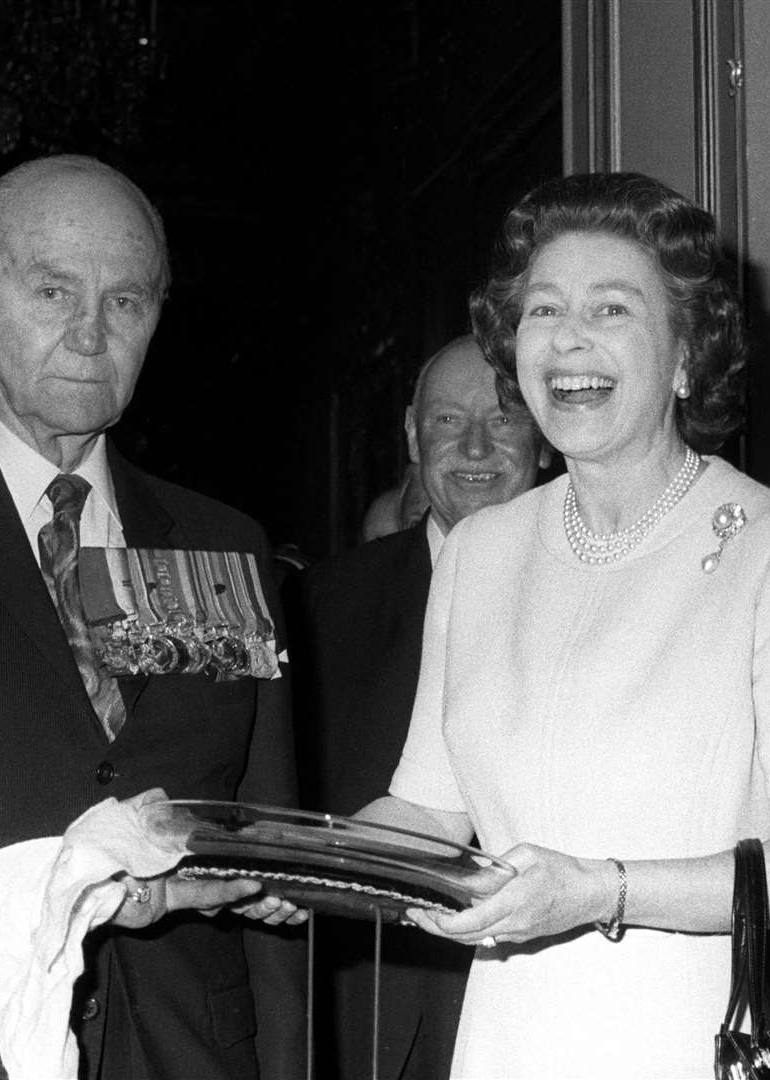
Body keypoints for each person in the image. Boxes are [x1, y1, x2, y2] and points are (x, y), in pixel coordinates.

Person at [346, 172, 770, 1078]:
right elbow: (428, 811)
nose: (567, 339)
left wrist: (598, 892)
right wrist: (278, 860)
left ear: (684, 357)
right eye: (543, 309)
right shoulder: (479, 553)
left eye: (611, 309)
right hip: (513, 1041)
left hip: (701, 1039)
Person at [0, 154, 305, 1079]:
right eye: (52, 291)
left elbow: (268, 846)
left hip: (192, 1052)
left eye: (126, 302)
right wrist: (73, 883)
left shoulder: (225, 544)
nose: (90, 336)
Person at [289, 333, 550, 1080]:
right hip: (373, 1010)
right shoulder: (320, 606)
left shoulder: (609, 596)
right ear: (410, 434)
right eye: (445, 422)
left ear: (543, 437)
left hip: (548, 997)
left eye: (502, 419)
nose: (474, 445)